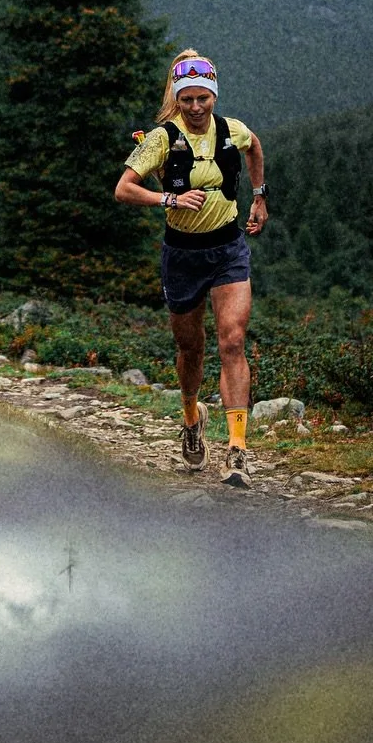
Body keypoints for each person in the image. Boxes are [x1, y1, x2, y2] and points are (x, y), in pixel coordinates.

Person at [114, 52, 267, 488]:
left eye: (203, 98)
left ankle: (237, 449)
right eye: (188, 100)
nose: (196, 107)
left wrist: (259, 196)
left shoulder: (231, 130)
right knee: (190, 348)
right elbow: (123, 188)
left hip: (227, 248)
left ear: (214, 96)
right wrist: (169, 200)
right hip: (182, 254)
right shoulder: (160, 139)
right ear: (177, 100)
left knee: (233, 341)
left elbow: (254, 144)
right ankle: (191, 415)